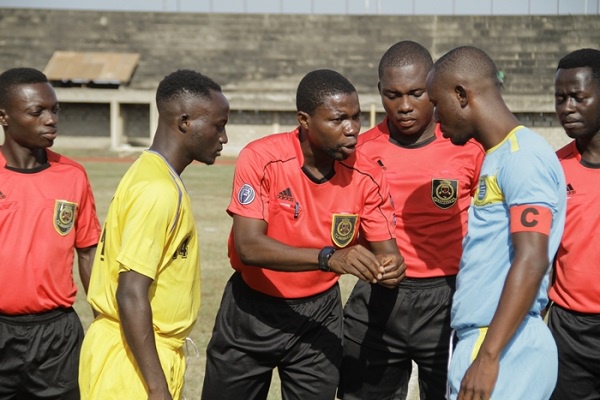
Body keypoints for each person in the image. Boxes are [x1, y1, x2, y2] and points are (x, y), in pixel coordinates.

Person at [201, 69, 406, 400]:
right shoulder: (262, 158)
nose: (353, 129)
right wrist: (329, 257)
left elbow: (388, 256)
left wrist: (391, 269)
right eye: (339, 119)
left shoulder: (368, 174)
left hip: (319, 316)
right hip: (251, 308)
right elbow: (249, 246)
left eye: (356, 118)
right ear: (305, 120)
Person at [340, 41, 484, 400]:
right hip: (378, 298)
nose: (404, 106)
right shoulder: (359, 151)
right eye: (393, 95)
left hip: (448, 298)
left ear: (433, 87)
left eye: (416, 93)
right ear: (379, 93)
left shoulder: (467, 146)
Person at [78, 69, 230, 399]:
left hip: (126, 347)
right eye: (218, 125)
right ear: (185, 121)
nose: (224, 137)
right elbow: (131, 292)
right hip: (134, 363)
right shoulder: (158, 190)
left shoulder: (149, 172)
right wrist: (157, 387)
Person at [425, 46, 566, 400]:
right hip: (488, 341)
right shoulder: (499, 156)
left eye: (437, 104)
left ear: (461, 94)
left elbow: (532, 258)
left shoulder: (523, 158)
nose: (436, 118)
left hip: (502, 347)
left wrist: (488, 357)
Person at [0, 67, 101, 399]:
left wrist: (102, 319)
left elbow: (87, 250)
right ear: (4, 117)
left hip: (57, 336)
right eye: (37, 111)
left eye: (54, 109)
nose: (51, 119)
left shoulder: (72, 175)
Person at [548, 47, 600, 400]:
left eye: (578, 97)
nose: (567, 107)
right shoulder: (552, 169)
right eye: (560, 98)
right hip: (569, 330)